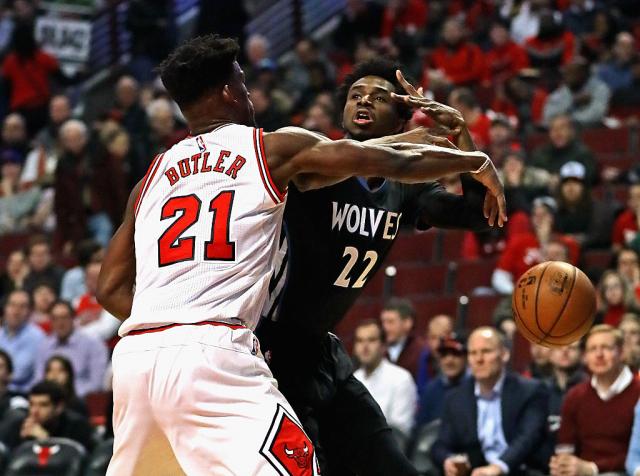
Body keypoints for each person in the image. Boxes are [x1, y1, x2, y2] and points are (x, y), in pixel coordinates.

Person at [96, 35, 505, 476]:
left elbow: (109, 287)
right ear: (231, 91)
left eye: (378, 97)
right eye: (244, 83)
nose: (364, 102)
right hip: (253, 349)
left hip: (158, 354)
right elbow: (384, 158)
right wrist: (472, 158)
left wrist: (172, 323)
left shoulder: (153, 176)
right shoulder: (279, 154)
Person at [256, 58, 505, 475]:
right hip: (271, 349)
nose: (364, 101)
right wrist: (416, 147)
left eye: (379, 97)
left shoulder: (403, 186)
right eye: (356, 95)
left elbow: (478, 215)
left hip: (322, 352)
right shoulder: (313, 159)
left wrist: (461, 134)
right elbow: (348, 163)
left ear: (404, 116)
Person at [431, 327, 549, 475]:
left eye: (486, 351)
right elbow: (441, 445)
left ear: (504, 354)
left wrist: (499, 467)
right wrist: (448, 460)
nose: (479, 359)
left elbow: (528, 438)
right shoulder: (456, 397)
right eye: (473, 353)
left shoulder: (530, 391)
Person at [551, 325, 640, 476]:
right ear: (585, 357)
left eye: (606, 348)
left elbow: (635, 458)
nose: (599, 355)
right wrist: (563, 465)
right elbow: (565, 446)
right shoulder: (575, 395)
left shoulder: (638, 392)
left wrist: (593, 468)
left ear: (621, 352)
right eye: (592, 349)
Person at [353, 319, 417, 437]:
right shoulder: (353, 379)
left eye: (371, 340)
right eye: (360, 341)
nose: (365, 346)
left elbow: (400, 432)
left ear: (383, 346)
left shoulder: (401, 379)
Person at [32, 300, 108, 398]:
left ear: (73, 319)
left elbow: (96, 384)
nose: (60, 323)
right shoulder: (44, 345)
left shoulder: (93, 344)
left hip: (81, 400)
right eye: (55, 318)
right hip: (49, 400)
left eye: (64, 318)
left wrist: (66, 395)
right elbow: (39, 379)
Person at [0, 380, 94, 451]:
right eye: (32, 404)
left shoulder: (78, 426)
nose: (34, 411)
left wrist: (46, 441)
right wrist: (22, 443)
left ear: (59, 407)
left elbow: (75, 463)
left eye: (43, 405)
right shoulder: (20, 424)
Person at [415, 334, 468, 428]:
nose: (449, 361)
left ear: (466, 358)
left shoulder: (476, 388)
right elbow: (419, 429)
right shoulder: (431, 390)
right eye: (444, 355)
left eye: (455, 354)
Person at [0, 290, 45, 392]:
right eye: (12, 305)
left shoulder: (37, 337)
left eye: (22, 306)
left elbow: (19, 373)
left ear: (30, 311)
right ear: (5, 309)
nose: (16, 311)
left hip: (21, 394)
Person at [380, 297, 425, 380]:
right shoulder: (379, 352)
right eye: (383, 322)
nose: (385, 328)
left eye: (391, 322)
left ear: (407, 322)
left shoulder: (422, 351)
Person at [416, 314, 454, 395]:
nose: (437, 344)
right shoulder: (423, 358)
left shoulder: (459, 361)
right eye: (433, 337)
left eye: (442, 338)